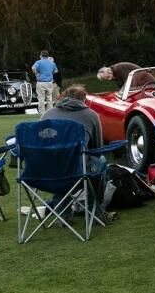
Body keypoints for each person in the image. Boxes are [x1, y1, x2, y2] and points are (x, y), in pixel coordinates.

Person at [41, 85, 117, 222]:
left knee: (59, 163)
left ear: (63, 97)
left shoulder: (48, 114)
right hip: (77, 170)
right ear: (84, 100)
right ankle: (95, 212)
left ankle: (62, 215)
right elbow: (97, 148)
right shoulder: (90, 115)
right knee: (100, 161)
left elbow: (41, 144)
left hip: (45, 172)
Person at [32, 50, 57, 114]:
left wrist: (36, 73)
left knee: (41, 98)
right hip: (49, 82)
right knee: (49, 98)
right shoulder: (52, 63)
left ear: (41, 55)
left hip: (41, 82)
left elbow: (33, 68)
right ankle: (49, 112)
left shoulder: (39, 62)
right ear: (48, 56)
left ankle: (42, 112)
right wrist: (49, 73)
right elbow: (56, 71)